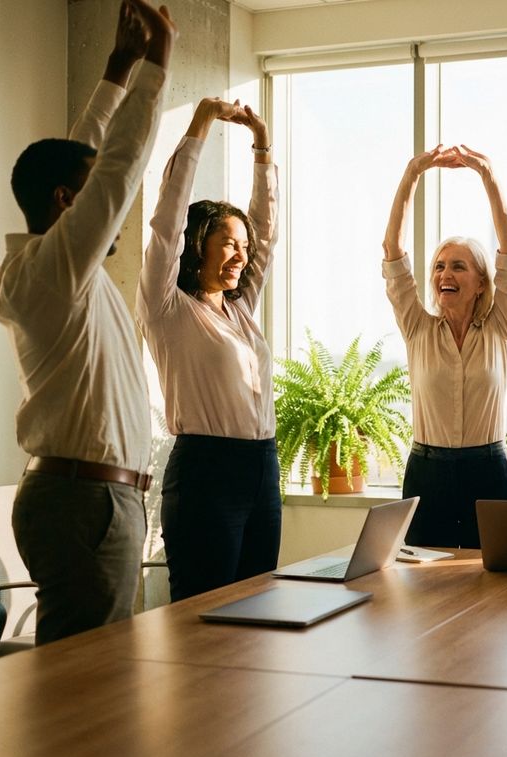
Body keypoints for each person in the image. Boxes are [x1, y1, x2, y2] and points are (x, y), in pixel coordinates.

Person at [0, 0, 175, 644]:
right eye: (87, 197)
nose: (111, 215)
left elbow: (86, 157)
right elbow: (115, 169)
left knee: (88, 681)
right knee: (89, 688)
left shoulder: (49, 267)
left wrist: (116, 71)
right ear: (67, 203)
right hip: (84, 502)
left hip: (87, 498)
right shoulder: (52, 272)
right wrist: (157, 62)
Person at [136, 97, 280, 601]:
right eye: (229, 242)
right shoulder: (167, 307)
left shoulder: (240, 309)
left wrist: (262, 145)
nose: (243, 254)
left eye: (244, 245)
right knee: (204, 618)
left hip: (263, 469)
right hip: (206, 473)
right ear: (197, 244)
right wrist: (200, 124)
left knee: (259, 611)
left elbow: (266, 232)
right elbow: (166, 222)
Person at [382, 145, 507, 548]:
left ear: (481, 281)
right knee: (425, 587)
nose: (445, 273)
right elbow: (393, 254)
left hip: (489, 471)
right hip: (427, 472)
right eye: (440, 266)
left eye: (459, 266)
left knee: (495, 580)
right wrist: (412, 174)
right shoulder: (417, 327)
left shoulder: (500, 327)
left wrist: (488, 175)